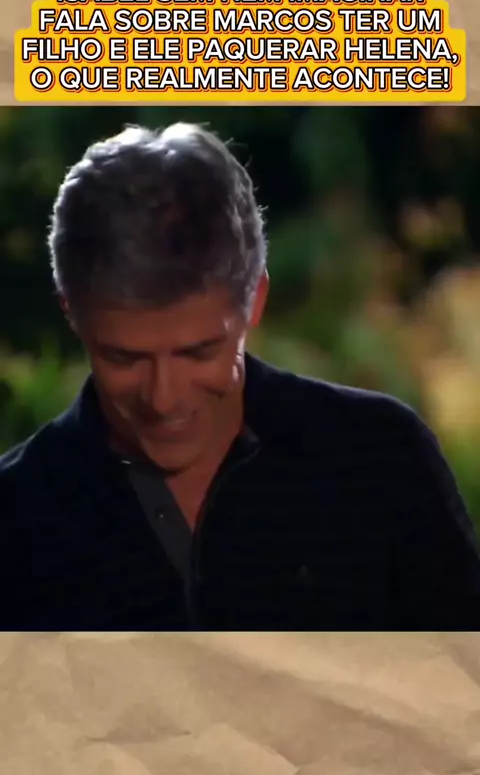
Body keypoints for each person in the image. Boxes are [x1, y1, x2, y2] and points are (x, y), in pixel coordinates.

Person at [1, 121, 480, 632]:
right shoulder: (16, 516)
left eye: (199, 353)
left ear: (255, 301)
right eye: (125, 359)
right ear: (71, 313)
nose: (164, 398)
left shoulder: (381, 461)